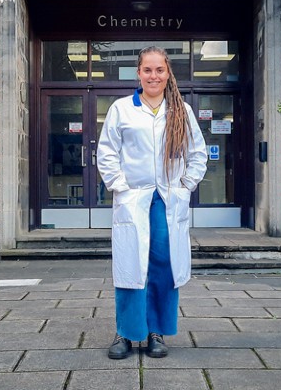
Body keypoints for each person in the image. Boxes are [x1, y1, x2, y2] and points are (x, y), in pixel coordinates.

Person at [97, 46, 208, 359]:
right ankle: (127, 334)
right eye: (148, 70)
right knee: (131, 265)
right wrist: (121, 187)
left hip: (168, 199)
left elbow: (197, 153)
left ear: (168, 72)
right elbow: (106, 152)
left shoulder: (180, 110)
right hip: (134, 198)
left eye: (160, 70)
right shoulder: (122, 108)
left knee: (163, 265)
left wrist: (186, 185)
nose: (154, 76)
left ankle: (156, 332)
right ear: (139, 73)